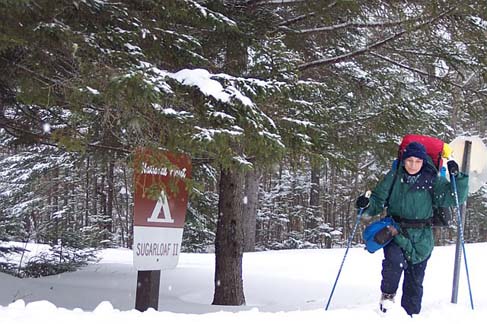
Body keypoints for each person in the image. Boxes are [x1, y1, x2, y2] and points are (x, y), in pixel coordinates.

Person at [355, 141, 469, 316]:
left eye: (417, 161)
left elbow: (453, 198)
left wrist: (457, 178)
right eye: (409, 160)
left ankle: (411, 316)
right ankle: (387, 301)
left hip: (422, 238)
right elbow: (377, 200)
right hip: (395, 232)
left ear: (423, 161)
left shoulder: (433, 180)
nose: (413, 165)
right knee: (394, 263)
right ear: (404, 160)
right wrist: (366, 205)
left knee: (415, 283)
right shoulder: (394, 177)